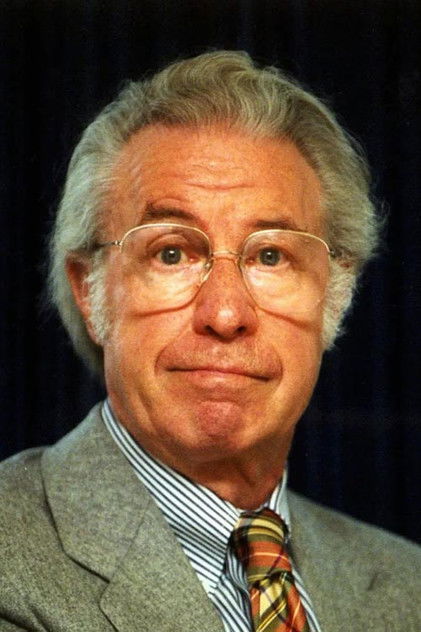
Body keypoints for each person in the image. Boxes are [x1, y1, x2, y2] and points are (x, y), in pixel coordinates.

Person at [0, 50, 420, 632]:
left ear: (336, 294)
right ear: (90, 292)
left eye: (270, 256)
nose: (225, 313)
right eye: (171, 253)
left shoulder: (408, 585)